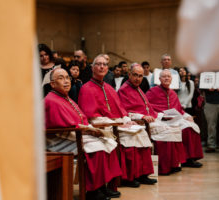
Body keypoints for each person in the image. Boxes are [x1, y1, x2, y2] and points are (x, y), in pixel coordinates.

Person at [78, 54, 156, 188]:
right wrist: (119, 123)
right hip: (102, 124)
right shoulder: (86, 88)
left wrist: (127, 120)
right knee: (130, 136)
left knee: (139, 132)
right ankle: (127, 177)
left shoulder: (109, 88)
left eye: (104, 64)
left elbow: (120, 110)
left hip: (116, 122)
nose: (102, 66)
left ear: (108, 68)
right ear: (93, 68)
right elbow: (92, 116)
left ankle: (142, 174)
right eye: (98, 64)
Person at [45, 68, 122, 200]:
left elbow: (80, 120)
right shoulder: (51, 100)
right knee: (96, 147)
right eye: (61, 78)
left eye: (67, 78)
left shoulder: (65, 98)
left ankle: (103, 186)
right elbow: (62, 125)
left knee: (109, 143)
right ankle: (93, 191)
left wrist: (92, 130)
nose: (66, 81)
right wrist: (89, 130)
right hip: (58, 140)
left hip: (73, 134)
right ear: (52, 84)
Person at [118, 64, 187, 174]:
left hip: (149, 119)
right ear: (129, 75)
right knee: (166, 130)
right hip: (139, 121)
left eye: (140, 76)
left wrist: (160, 116)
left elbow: (148, 109)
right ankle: (163, 167)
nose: (137, 79)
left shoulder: (138, 89)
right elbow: (126, 111)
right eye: (135, 75)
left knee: (174, 127)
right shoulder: (124, 90)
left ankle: (172, 164)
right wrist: (143, 117)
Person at [146, 69, 203, 167]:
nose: (166, 78)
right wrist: (160, 115)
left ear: (172, 79)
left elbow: (180, 110)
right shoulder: (152, 91)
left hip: (174, 120)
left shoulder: (173, 93)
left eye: (168, 76)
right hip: (161, 120)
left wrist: (187, 116)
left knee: (190, 128)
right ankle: (180, 160)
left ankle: (190, 158)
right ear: (159, 79)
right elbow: (147, 107)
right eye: (164, 76)